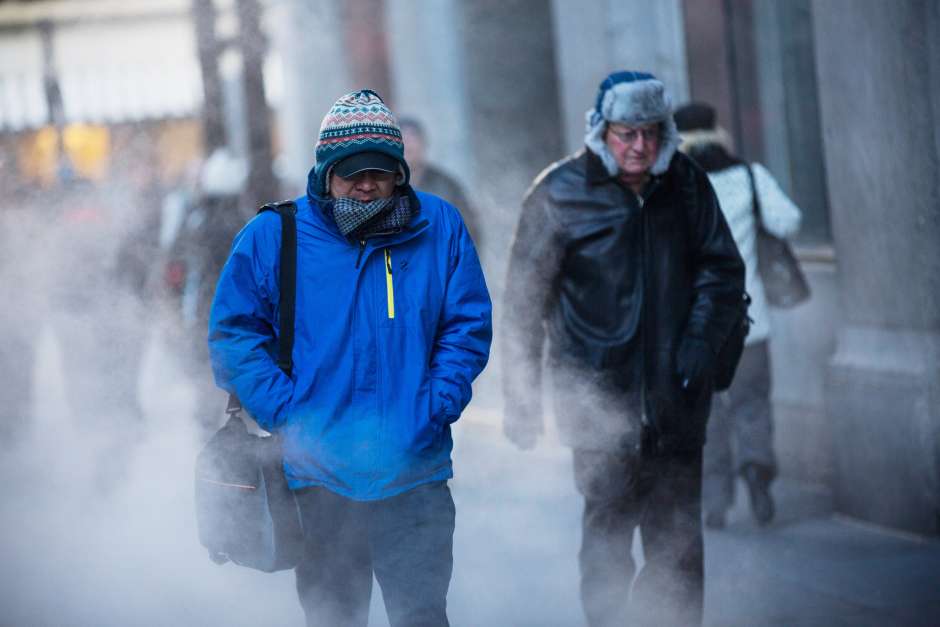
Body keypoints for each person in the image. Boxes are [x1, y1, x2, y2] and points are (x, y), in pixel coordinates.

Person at [208, 89, 492, 627]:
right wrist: (290, 412)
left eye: (380, 170)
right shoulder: (276, 234)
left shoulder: (440, 226)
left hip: (415, 476)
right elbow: (233, 333)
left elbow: (467, 325)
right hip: (318, 481)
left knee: (422, 617)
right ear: (324, 172)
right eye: (350, 171)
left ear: (400, 172)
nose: (366, 183)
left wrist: (435, 404)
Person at [501, 71, 745, 626]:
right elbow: (522, 305)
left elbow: (722, 270)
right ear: (599, 131)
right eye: (624, 133)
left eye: (651, 134)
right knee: (607, 543)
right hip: (596, 408)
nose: (639, 147)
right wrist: (522, 401)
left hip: (677, 399)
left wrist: (700, 343)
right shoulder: (559, 191)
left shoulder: (686, 184)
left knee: (678, 550)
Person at [675, 102, 803, 528]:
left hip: (694, 328)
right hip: (751, 321)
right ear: (718, 130)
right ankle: (757, 470)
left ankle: (715, 502)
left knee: (706, 413)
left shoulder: (673, 185)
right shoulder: (749, 176)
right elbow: (788, 220)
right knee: (752, 403)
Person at [399, 116, 482, 247]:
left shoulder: (446, 185)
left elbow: (469, 229)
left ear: (424, 144)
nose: (408, 144)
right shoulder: (380, 186)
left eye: (413, 138)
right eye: (402, 139)